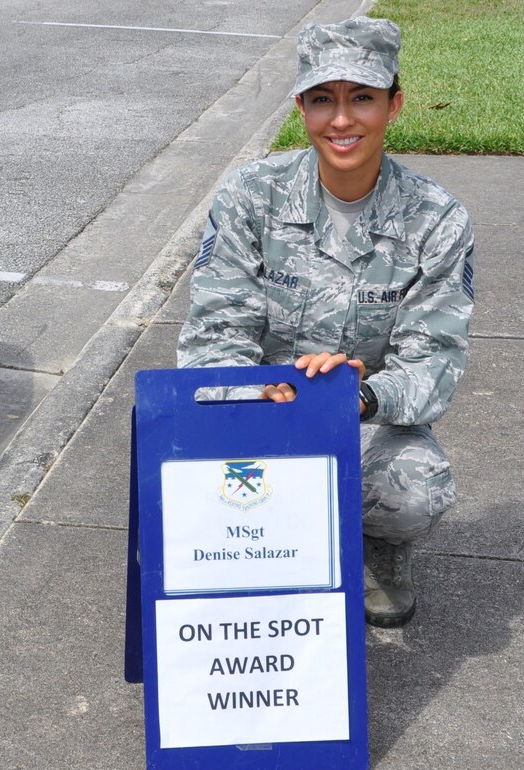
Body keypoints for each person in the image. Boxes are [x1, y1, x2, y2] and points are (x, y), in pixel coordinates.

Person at [177, 16, 475, 628]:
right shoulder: (249, 196)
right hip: (256, 407)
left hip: (359, 418)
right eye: (323, 99)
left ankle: (377, 552)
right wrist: (258, 391)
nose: (342, 120)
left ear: (394, 105)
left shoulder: (437, 220)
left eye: (362, 98)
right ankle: (257, 549)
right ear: (301, 108)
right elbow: (213, 332)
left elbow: (434, 361)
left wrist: (358, 396)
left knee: (414, 488)